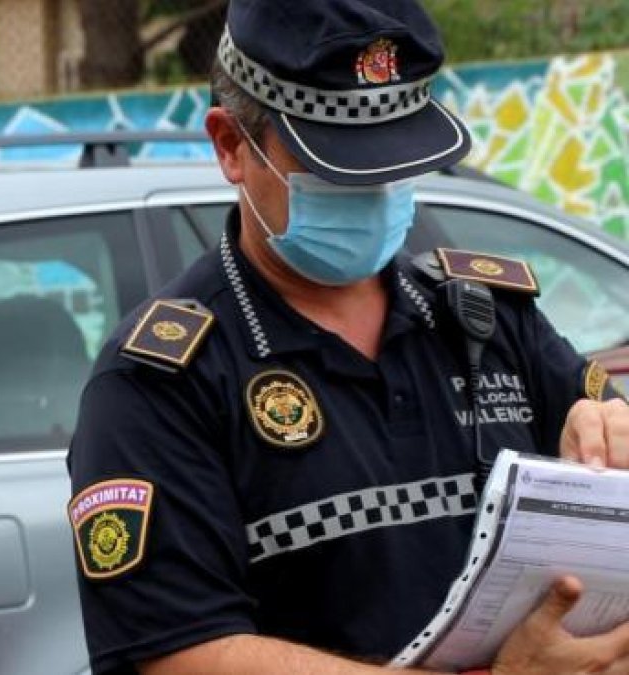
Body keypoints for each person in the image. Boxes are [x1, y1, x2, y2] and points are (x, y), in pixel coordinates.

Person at [66, 1, 629, 673]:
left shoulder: (489, 319)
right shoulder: (161, 381)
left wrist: (603, 440)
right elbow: (176, 655)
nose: (375, 188)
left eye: (395, 161)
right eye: (337, 167)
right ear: (231, 147)